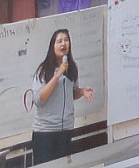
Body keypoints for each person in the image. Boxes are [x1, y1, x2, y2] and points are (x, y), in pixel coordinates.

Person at [30, 29, 94, 162]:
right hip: (45, 132)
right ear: (52, 46)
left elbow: (72, 93)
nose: (63, 44)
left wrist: (82, 91)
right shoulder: (44, 70)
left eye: (66, 40)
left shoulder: (72, 68)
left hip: (66, 130)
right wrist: (58, 74)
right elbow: (39, 100)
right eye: (59, 41)